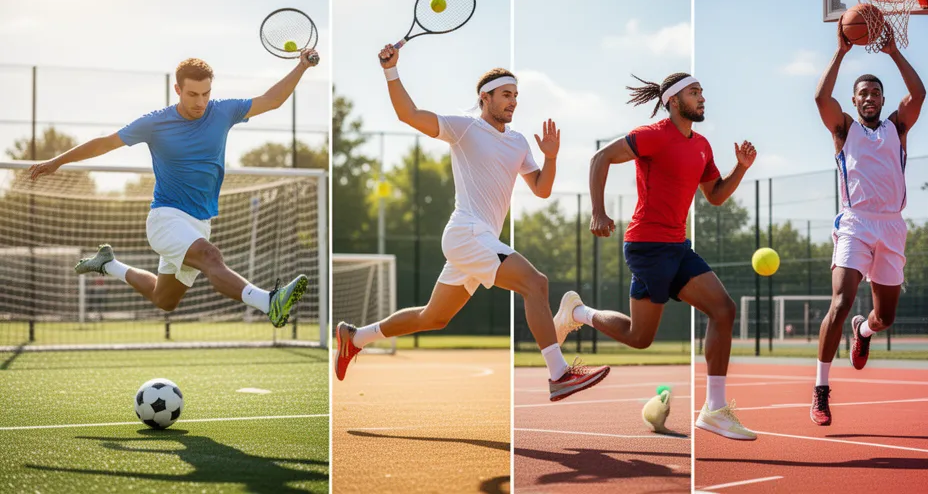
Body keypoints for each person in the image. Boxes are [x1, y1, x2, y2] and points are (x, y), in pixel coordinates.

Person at [334, 44, 610, 402]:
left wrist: (551, 157)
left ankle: (355, 338)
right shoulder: (464, 128)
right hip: (467, 232)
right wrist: (391, 70)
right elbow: (409, 114)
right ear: (485, 98)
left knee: (433, 317)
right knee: (535, 283)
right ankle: (558, 374)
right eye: (506, 95)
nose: (513, 102)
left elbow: (542, 190)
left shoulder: (518, 142)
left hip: (478, 240)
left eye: (516, 96)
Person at [28, 53, 321, 325]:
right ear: (177, 89)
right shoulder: (155, 122)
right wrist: (58, 160)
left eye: (206, 94)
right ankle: (269, 301)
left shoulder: (223, 112)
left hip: (200, 224)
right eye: (193, 94)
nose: (200, 101)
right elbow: (105, 142)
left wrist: (302, 66)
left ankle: (109, 264)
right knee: (210, 257)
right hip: (166, 220)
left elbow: (272, 100)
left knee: (164, 298)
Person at [559, 72, 757, 440]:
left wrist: (741, 169)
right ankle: (579, 313)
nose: (701, 98)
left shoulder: (702, 146)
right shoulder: (652, 135)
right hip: (648, 247)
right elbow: (600, 158)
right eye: (694, 92)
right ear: (673, 100)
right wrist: (598, 211)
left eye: (702, 91)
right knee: (641, 338)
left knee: (721, 310)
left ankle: (714, 409)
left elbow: (714, 195)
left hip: (678, 247)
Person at [810, 25, 925, 426]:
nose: (870, 98)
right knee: (840, 303)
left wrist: (893, 51)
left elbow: (919, 95)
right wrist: (840, 52)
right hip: (855, 222)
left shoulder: (897, 128)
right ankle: (821, 391)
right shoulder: (845, 130)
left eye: (876, 92)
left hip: (891, 226)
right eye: (863, 93)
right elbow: (821, 97)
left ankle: (865, 332)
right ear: (856, 101)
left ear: (882, 99)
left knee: (886, 317)